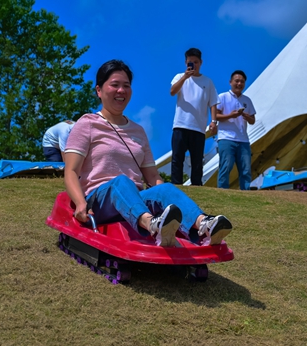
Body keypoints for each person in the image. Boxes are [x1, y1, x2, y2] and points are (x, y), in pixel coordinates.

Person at [64, 60, 232, 247]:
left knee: (165, 188)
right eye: (115, 85)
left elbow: (152, 176)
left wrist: (163, 195)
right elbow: (71, 171)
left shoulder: (137, 131)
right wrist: (80, 203)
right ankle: (152, 225)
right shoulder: (87, 123)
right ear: (99, 90)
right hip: (100, 200)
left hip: (133, 199)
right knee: (121, 181)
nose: (121, 90)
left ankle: (205, 226)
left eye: (126, 86)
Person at [169, 47, 218, 186]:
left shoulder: (207, 82)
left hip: (199, 127)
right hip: (180, 124)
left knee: (197, 160)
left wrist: (214, 121)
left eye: (196, 62)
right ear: (185, 62)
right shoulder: (179, 77)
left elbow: (213, 103)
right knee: (177, 158)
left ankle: (197, 186)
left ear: (201, 62)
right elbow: (172, 91)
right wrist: (185, 77)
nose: (193, 65)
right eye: (190, 62)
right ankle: (176, 185)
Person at [215, 70, 256, 190]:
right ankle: (222, 192)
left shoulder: (247, 100)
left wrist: (248, 117)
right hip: (226, 138)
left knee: (246, 169)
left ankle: (246, 193)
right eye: (236, 81)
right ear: (230, 82)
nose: (239, 84)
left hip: (243, 139)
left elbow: (253, 120)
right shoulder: (222, 97)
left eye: (242, 81)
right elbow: (215, 116)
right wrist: (230, 116)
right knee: (226, 167)